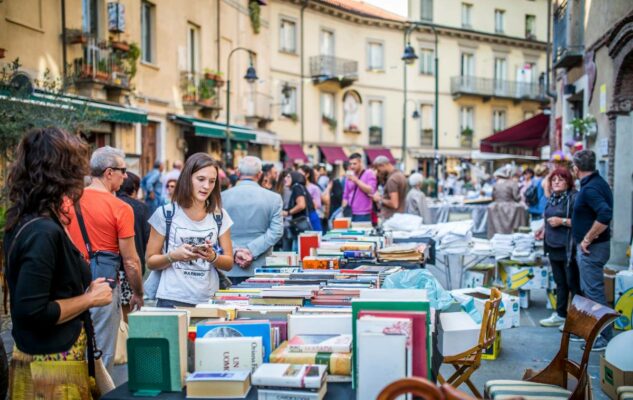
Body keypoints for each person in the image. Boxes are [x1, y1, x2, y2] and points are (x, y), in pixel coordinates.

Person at [4, 128, 113, 398]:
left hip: (47, 360)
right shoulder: (42, 231)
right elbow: (33, 311)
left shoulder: (27, 219)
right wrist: (90, 300)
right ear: (63, 172)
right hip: (51, 369)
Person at [66, 146, 144, 372]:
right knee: (101, 354)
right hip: (104, 286)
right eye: (123, 170)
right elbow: (130, 261)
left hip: (72, 285)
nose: (126, 175)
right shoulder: (121, 208)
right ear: (109, 173)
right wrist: (138, 292)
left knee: (74, 349)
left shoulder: (69, 201)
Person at [145, 153, 234, 307]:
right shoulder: (166, 214)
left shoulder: (220, 216)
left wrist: (213, 257)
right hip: (171, 299)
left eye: (212, 181)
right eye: (201, 179)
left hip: (208, 301)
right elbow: (150, 261)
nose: (206, 186)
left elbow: (228, 262)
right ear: (188, 178)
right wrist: (174, 256)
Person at [571, 150, 613, 351]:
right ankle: (591, 333)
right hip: (594, 247)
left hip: (593, 249)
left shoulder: (591, 189)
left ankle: (605, 337)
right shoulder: (597, 183)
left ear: (576, 168)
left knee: (594, 292)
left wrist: (588, 238)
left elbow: (605, 214)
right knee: (588, 291)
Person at [222, 156, 284, 285]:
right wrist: (251, 250)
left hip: (228, 266)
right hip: (260, 265)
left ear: (238, 173)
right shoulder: (273, 198)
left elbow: (215, 230)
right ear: (260, 174)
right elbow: (276, 231)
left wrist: (236, 251)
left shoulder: (222, 197)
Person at [535, 168, 581, 328]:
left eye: (560, 179)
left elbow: (583, 223)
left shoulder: (575, 198)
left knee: (572, 283)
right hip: (552, 246)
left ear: (568, 182)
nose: (556, 182)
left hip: (568, 248)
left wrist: (562, 221)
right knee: (560, 283)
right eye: (553, 180)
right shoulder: (552, 198)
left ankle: (576, 320)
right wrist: (542, 229)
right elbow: (548, 217)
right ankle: (561, 315)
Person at [116, 172, 151, 322]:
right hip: (133, 267)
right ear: (134, 188)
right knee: (128, 317)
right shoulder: (141, 208)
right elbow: (149, 237)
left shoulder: (113, 204)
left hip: (114, 269)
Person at [486, 165, 528, 238]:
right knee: (522, 209)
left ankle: (497, 237)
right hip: (510, 206)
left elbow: (493, 197)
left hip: (496, 206)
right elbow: (517, 198)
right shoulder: (512, 183)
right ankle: (517, 235)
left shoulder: (496, 184)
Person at [342, 153, 378, 222]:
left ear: (360, 163)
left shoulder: (369, 173)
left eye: (354, 164)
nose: (352, 166)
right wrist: (343, 210)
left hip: (364, 214)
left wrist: (356, 180)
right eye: (350, 164)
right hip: (350, 213)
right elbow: (345, 195)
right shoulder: (349, 175)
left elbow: (371, 190)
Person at [372, 155, 407, 220]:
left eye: (379, 170)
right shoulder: (400, 175)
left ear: (382, 165)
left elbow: (394, 204)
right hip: (398, 216)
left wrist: (379, 199)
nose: (379, 173)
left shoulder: (392, 179)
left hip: (391, 218)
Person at [283, 171, 312, 250]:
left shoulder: (296, 187)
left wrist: (288, 212)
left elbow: (301, 205)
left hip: (298, 223)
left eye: (288, 177)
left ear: (294, 178)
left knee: (297, 249)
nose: (285, 178)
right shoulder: (300, 187)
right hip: (301, 223)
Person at [300, 165, 323, 232]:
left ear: (307, 174)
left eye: (300, 174)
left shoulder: (314, 188)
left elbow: (318, 205)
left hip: (312, 217)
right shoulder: (299, 187)